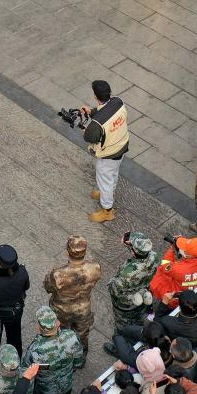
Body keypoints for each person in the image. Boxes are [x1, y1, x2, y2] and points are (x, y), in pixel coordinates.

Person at [80, 79, 129, 222]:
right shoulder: (118, 102)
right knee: (113, 173)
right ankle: (109, 193)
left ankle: (107, 211)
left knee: (104, 179)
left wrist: (86, 131)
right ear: (109, 93)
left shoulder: (97, 124)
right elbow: (105, 111)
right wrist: (91, 112)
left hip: (109, 153)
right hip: (122, 145)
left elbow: (90, 137)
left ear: (95, 96)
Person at [43, 235, 100, 352]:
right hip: (83, 310)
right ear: (85, 252)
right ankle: (81, 355)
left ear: (67, 252)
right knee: (82, 335)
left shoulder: (57, 275)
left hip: (62, 311)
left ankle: (64, 353)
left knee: (61, 333)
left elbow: (48, 288)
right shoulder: (95, 268)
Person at [20, 306, 84, 394]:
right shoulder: (71, 337)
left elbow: (26, 372)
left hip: (45, 391)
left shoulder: (35, 350)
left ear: (38, 328)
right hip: (67, 385)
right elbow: (78, 362)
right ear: (58, 323)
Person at [106, 231, 156, 334]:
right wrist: (131, 243)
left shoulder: (128, 273)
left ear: (133, 253)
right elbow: (143, 246)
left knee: (122, 325)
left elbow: (114, 290)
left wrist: (111, 281)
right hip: (144, 292)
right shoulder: (154, 257)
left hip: (126, 305)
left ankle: (121, 337)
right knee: (140, 314)